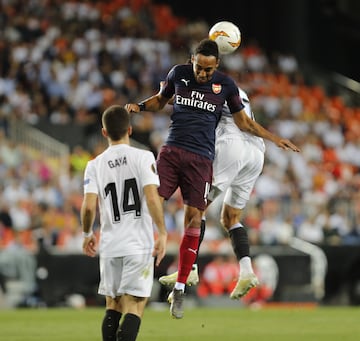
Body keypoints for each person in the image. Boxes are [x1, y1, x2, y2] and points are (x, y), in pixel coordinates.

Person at [125, 39, 299, 319]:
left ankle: (185, 275)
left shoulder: (225, 85)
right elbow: (161, 99)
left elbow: (244, 123)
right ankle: (237, 269)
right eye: (199, 67)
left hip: (212, 153)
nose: (202, 74)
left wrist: (276, 138)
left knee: (197, 212)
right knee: (219, 215)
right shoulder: (179, 74)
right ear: (191, 60)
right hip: (189, 150)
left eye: (208, 70)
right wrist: (140, 106)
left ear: (217, 64)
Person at [159, 87, 266, 299]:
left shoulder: (206, 84)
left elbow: (174, 100)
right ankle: (246, 270)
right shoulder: (235, 87)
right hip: (256, 151)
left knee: (196, 207)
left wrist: (165, 92)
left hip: (231, 144)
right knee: (230, 217)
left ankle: (189, 267)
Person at [81, 105, 167, 341]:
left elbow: (88, 206)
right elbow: (151, 197)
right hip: (138, 243)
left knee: (113, 305)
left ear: (104, 132)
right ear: (130, 129)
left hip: (110, 246)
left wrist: (87, 233)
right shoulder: (144, 157)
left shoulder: (94, 165)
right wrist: (162, 232)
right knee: (135, 307)